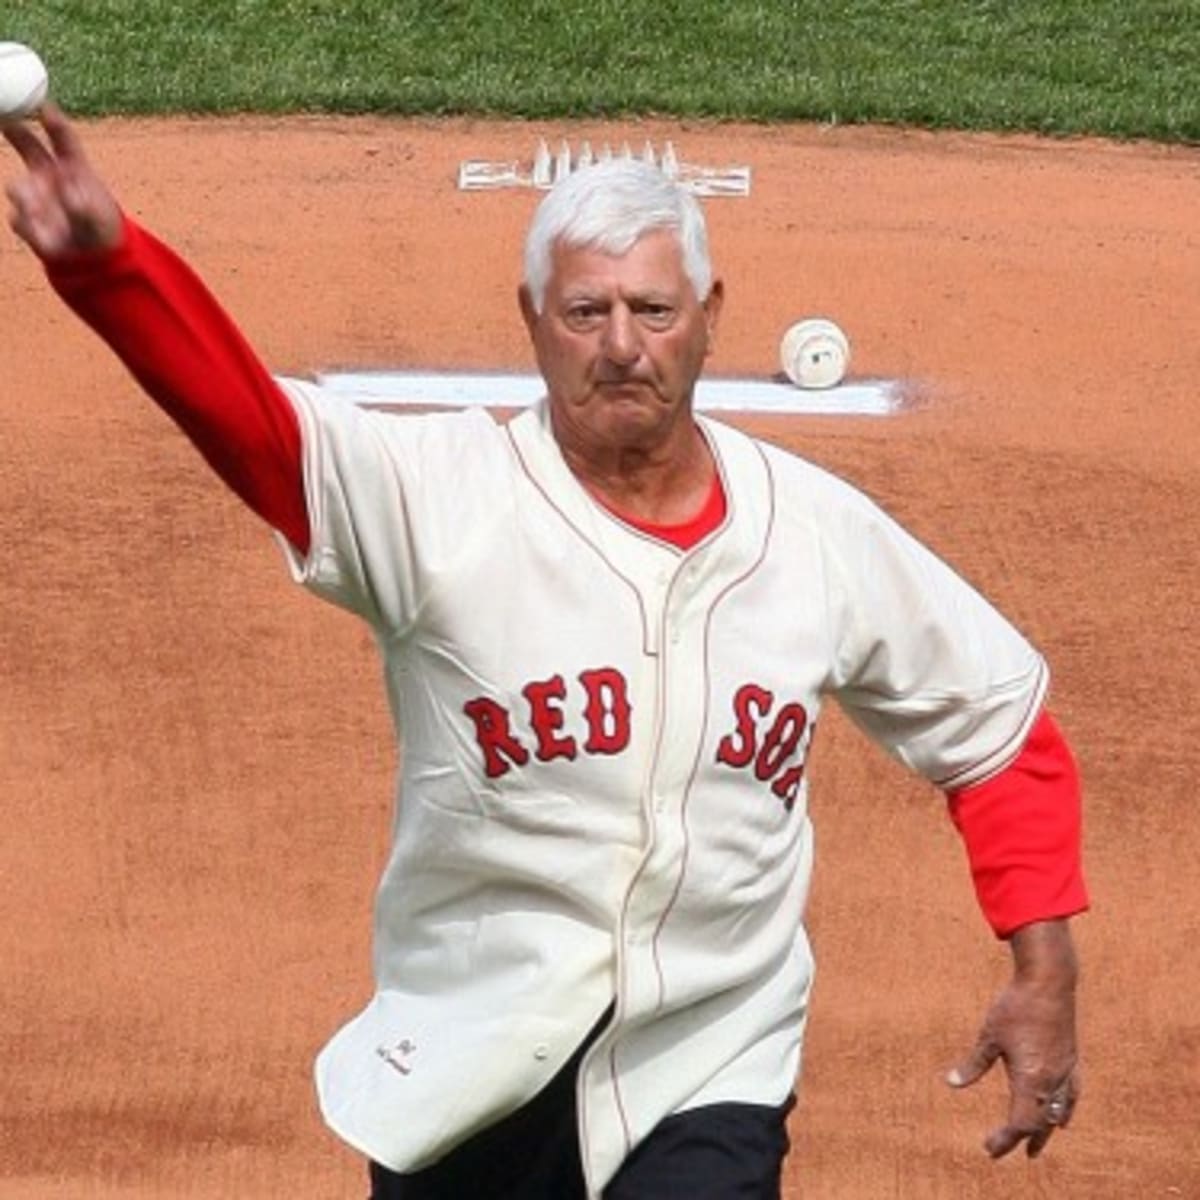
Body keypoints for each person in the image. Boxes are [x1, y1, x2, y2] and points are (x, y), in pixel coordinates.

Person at [4, 105, 1087, 1199]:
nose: (623, 345)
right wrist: (112, 271)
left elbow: (997, 728)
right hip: (469, 1050)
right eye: (587, 310)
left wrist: (1043, 968)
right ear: (531, 318)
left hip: (705, 1058)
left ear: (709, 317)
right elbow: (258, 431)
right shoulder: (440, 498)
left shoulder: (815, 534)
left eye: (654, 309)